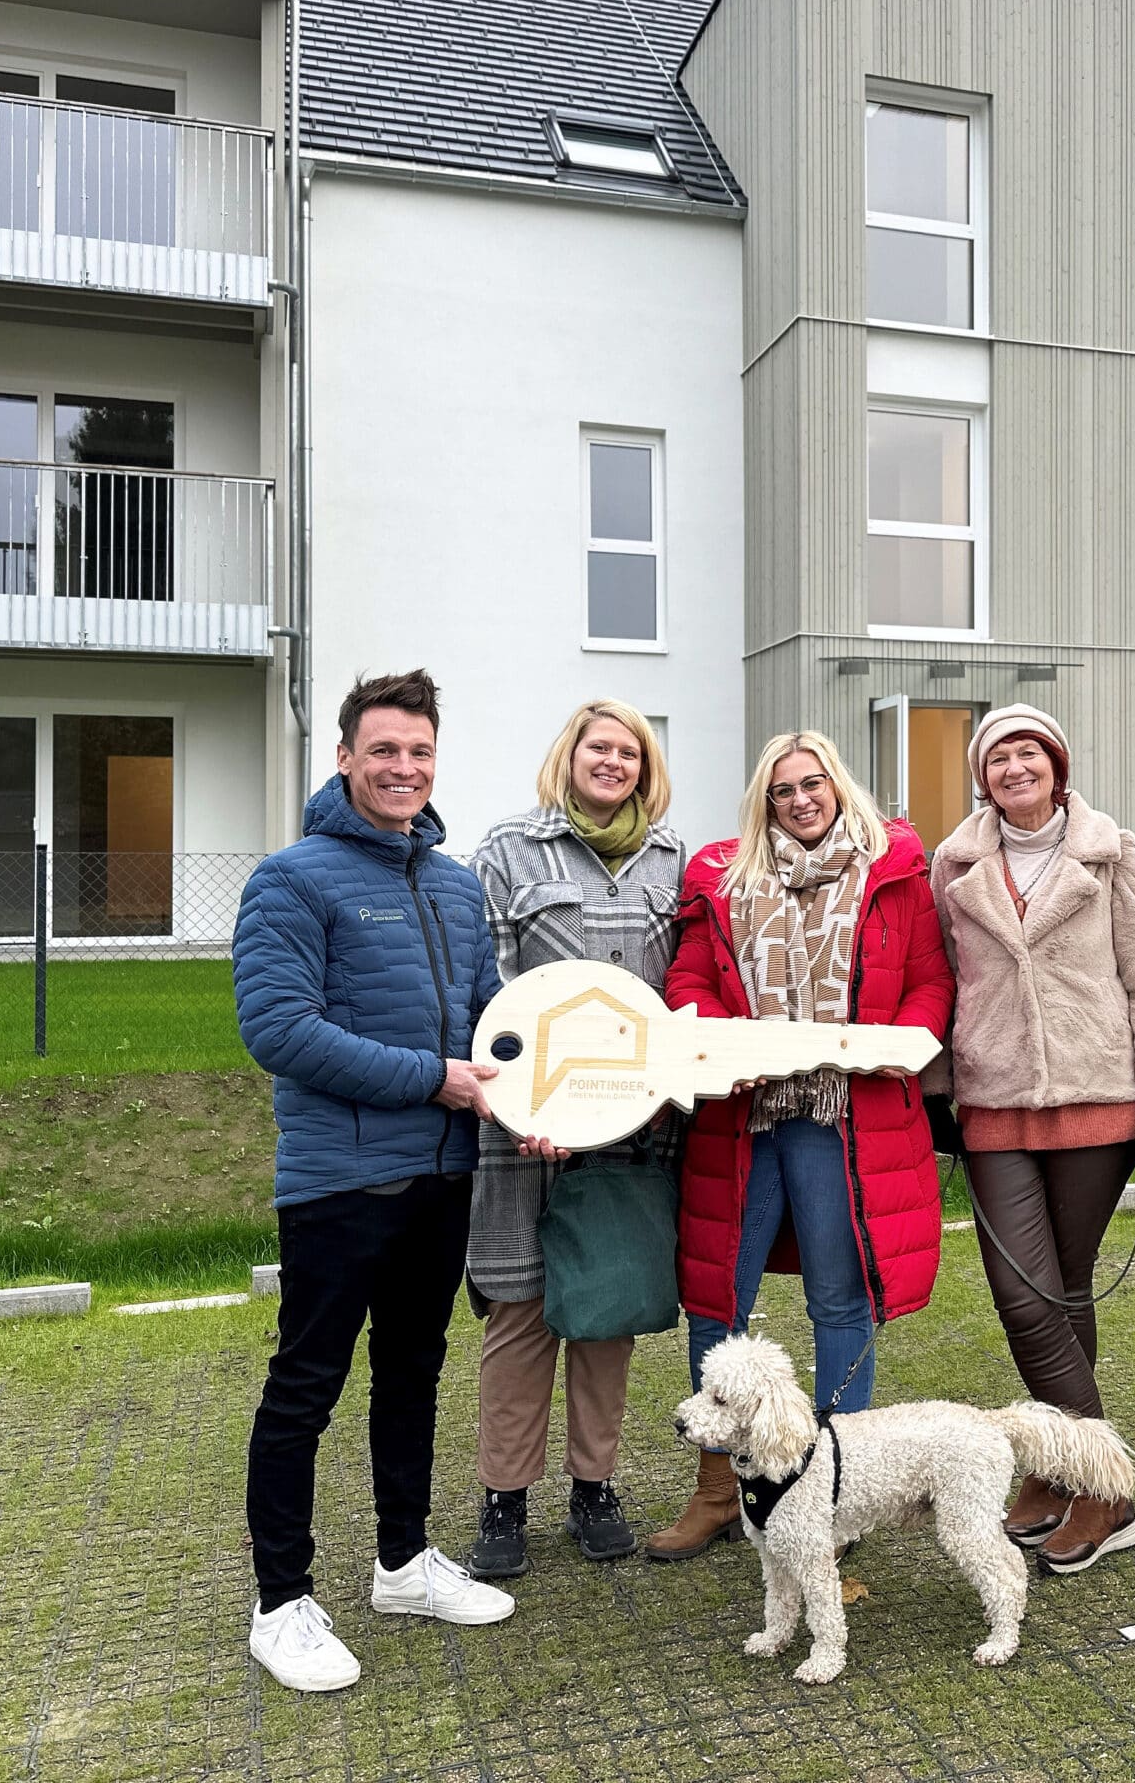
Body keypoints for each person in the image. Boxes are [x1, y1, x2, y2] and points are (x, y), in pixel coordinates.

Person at [233, 669, 516, 1695]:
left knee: (412, 1374)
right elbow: (280, 1030)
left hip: (443, 1179)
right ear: (346, 756)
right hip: (339, 1185)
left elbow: (494, 1027)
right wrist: (434, 1081)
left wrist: (526, 1105)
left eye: (421, 753)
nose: (404, 769)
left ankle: (402, 1563)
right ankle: (281, 1603)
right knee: (304, 1387)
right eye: (385, 750)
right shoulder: (292, 880)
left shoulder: (453, 884)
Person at [643, 729, 955, 1561]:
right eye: (782, 791)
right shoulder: (724, 878)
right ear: (765, 801)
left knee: (839, 1302)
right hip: (741, 1118)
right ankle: (719, 1489)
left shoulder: (891, 873)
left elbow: (930, 982)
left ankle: (833, 1486)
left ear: (837, 786)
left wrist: (895, 1044)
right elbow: (689, 982)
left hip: (841, 1117)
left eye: (812, 784)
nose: (799, 800)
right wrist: (727, 1045)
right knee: (717, 1301)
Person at [926, 705, 1135, 1574]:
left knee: (1065, 1294)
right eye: (997, 756)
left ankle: (1065, 1475)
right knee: (1025, 1298)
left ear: (1056, 764)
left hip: (1096, 1096)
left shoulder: (1109, 851)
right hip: (994, 1099)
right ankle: (1099, 1481)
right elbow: (942, 977)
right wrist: (935, 1088)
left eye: (1028, 750)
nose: (1014, 767)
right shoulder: (954, 863)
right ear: (982, 777)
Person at [462, 699, 685, 1579]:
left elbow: (682, 993)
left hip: (632, 1135)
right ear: (571, 754)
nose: (614, 763)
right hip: (526, 1133)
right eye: (600, 747)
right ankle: (503, 1500)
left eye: (630, 752)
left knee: (605, 1315)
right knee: (519, 1312)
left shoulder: (675, 859)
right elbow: (484, 987)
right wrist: (521, 1108)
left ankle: (594, 1488)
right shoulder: (509, 851)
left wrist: (668, 1090)